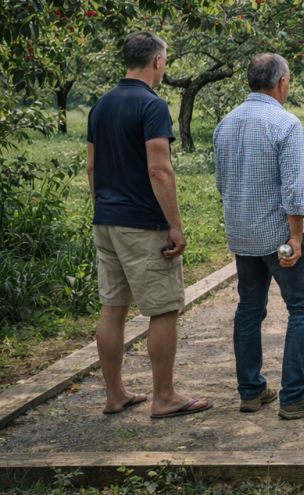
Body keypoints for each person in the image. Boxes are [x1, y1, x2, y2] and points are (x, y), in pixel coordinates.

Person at [87, 31, 211, 419]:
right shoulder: (152, 105)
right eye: (165, 60)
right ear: (157, 60)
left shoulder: (100, 105)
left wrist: (105, 208)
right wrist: (175, 225)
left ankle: (115, 395)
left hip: (106, 220)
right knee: (164, 308)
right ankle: (164, 396)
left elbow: (91, 167)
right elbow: (158, 168)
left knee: (112, 308)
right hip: (143, 223)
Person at [214, 53, 304, 419]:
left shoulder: (225, 123)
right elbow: (294, 190)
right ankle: (295, 394)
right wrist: (296, 238)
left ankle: (251, 391)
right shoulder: (285, 123)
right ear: (282, 83)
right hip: (279, 238)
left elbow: (222, 182)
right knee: (303, 307)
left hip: (242, 236)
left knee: (249, 309)